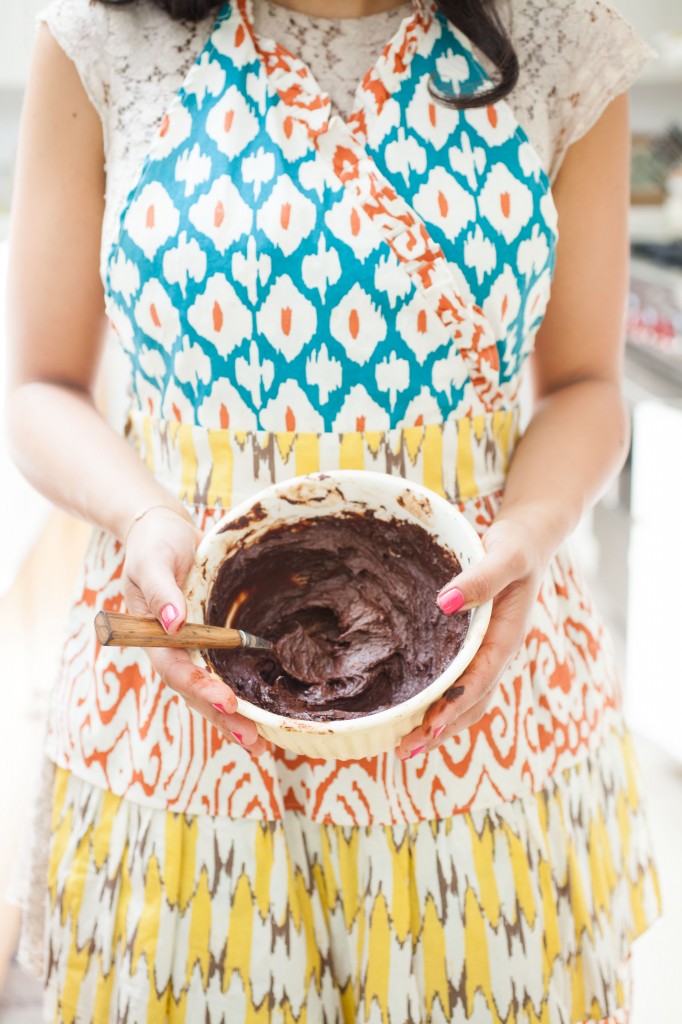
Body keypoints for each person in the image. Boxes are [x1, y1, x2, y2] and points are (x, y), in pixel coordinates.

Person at [6, 0, 662, 1019]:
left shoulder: (560, 38)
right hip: (185, 712)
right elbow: (41, 385)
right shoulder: (102, 39)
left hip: (478, 691)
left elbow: (582, 383)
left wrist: (527, 534)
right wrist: (142, 520)